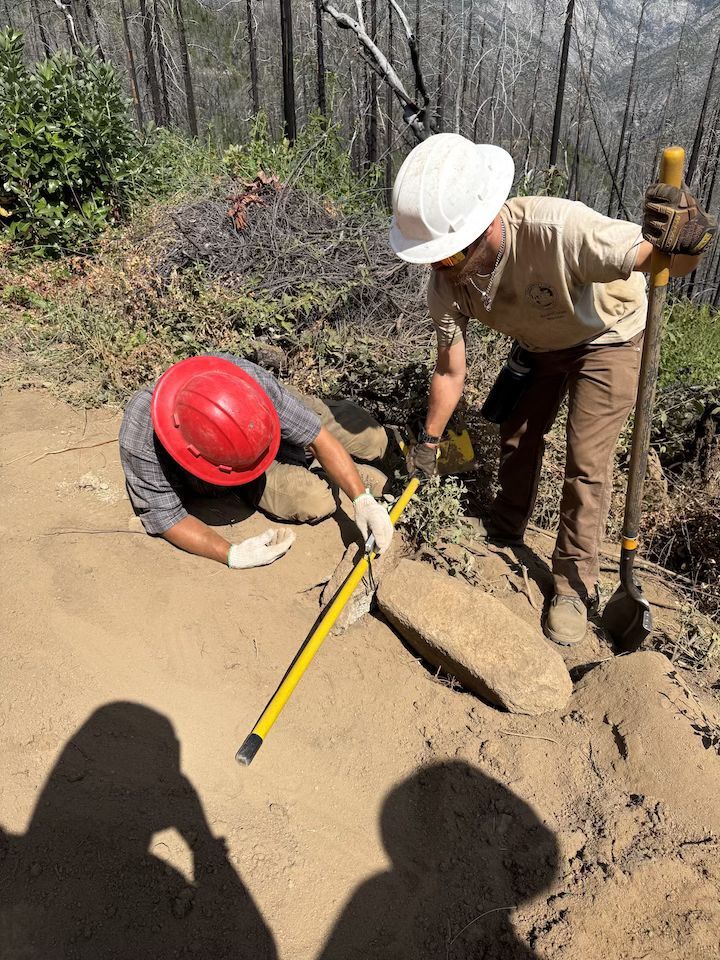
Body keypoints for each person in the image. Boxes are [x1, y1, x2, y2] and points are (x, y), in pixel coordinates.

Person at [390, 133, 716, 645]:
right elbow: (451, 372)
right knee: (517, 435)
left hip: (608, 334)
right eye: (431, 258)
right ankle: (505, 526)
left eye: (447, 257)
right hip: (540, 341)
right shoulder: (446, 283)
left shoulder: (559, 231)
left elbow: (667, 262)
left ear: (484, 226)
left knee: (586, 461)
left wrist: (692, 241)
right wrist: (429, 442)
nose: (438, 268)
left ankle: (572, 585)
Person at [119, 353, 394, 568]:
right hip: (248, 471)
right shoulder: (142, 432)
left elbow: (316, 436)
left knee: (374, 440)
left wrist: (362, 501)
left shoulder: (243, 377)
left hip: (274, 425)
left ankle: (347, 468)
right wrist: (232, 553)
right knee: (315, 501)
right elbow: (166, 517)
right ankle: (333, 471)